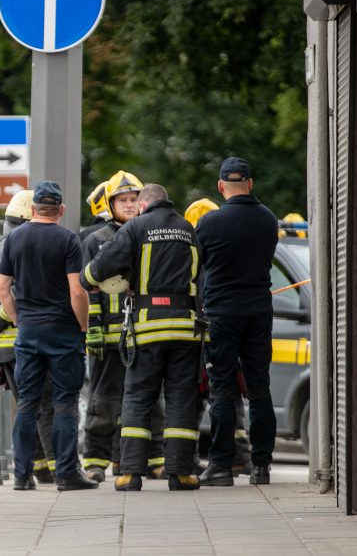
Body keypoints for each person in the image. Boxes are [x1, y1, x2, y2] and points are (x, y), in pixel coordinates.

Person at [81, 183, 203, 492]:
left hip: (147, 329)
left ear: (145, 205)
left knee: (137, 397)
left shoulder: (136, 228)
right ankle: (180, 473)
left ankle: (130, 474)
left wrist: (88, 279)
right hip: (186, 329)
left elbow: (105, 265)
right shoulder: (188, 229)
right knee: (180, 400)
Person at [0, 180, 96, 491]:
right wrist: (82, 326)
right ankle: (67, 474)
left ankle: (22, 476)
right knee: (65, 403)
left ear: (34, 208)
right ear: (61, 210)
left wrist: (19, 319)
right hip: (63, 333)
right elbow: (77, 291)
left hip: (28, 334)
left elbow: (1, 288)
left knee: (27, 403)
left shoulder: (14, 239)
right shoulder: (68, 240)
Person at [195, 157, 279, 487]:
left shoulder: (210, 222)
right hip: (259, 311)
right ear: (251, 183)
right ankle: (261, 467)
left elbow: (197, 267)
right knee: (259, 389)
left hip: (222, 314)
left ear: (220, 186)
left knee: (223, 389)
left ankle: (220, 465)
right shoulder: (268, 219)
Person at [81, 171, 168, 483]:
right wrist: (92, 327)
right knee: (104, 400)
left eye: (134, 199)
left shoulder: (151, 234)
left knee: (150, 399)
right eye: (123, 200)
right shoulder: (96, 241)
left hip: (143, 333)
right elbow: (87, 289)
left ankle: (153, 460)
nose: (130, 205)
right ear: (110, 203)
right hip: (108, 335)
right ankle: (95, 461)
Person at [0, 189, 56, 485]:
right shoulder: (24, 248)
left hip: (7, 348)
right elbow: (21, 295)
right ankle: (58, 466)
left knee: (27, 406)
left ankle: (35, 468)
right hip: (32, 340)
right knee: (47, 406)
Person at [184, 198, 253, 477]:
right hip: (227, 332)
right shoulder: (229, 254)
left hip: (199, 338)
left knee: (194, 398)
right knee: (228, 395)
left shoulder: (193, 257)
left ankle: (186, 458)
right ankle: (240, 457)